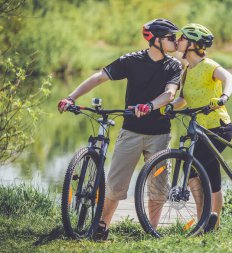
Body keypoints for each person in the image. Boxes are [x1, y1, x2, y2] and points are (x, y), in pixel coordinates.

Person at [58, 18, 182, 240]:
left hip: (160, 136)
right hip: (131, 133)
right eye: (170, 37)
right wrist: (71, 97)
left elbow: (170, 93)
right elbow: (99, 78)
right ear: (155, 40)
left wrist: (150, 105)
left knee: (158, 187)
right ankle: (102, 226)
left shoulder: (174, 66)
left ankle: (151, 231)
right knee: (115, 185)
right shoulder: (131, 61)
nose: (175, 41)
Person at [163, 23, 232, 232]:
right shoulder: (187, 71)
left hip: (218, 128)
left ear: (193, 44)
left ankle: (205, 219)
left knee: (192, 169)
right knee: (211, 176)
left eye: (183, 38)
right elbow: (183, 99)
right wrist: (170, 107)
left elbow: (230, 79)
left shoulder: (208, 65)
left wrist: (224, 96)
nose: (178, 41)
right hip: (199, 131)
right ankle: (210, 223)